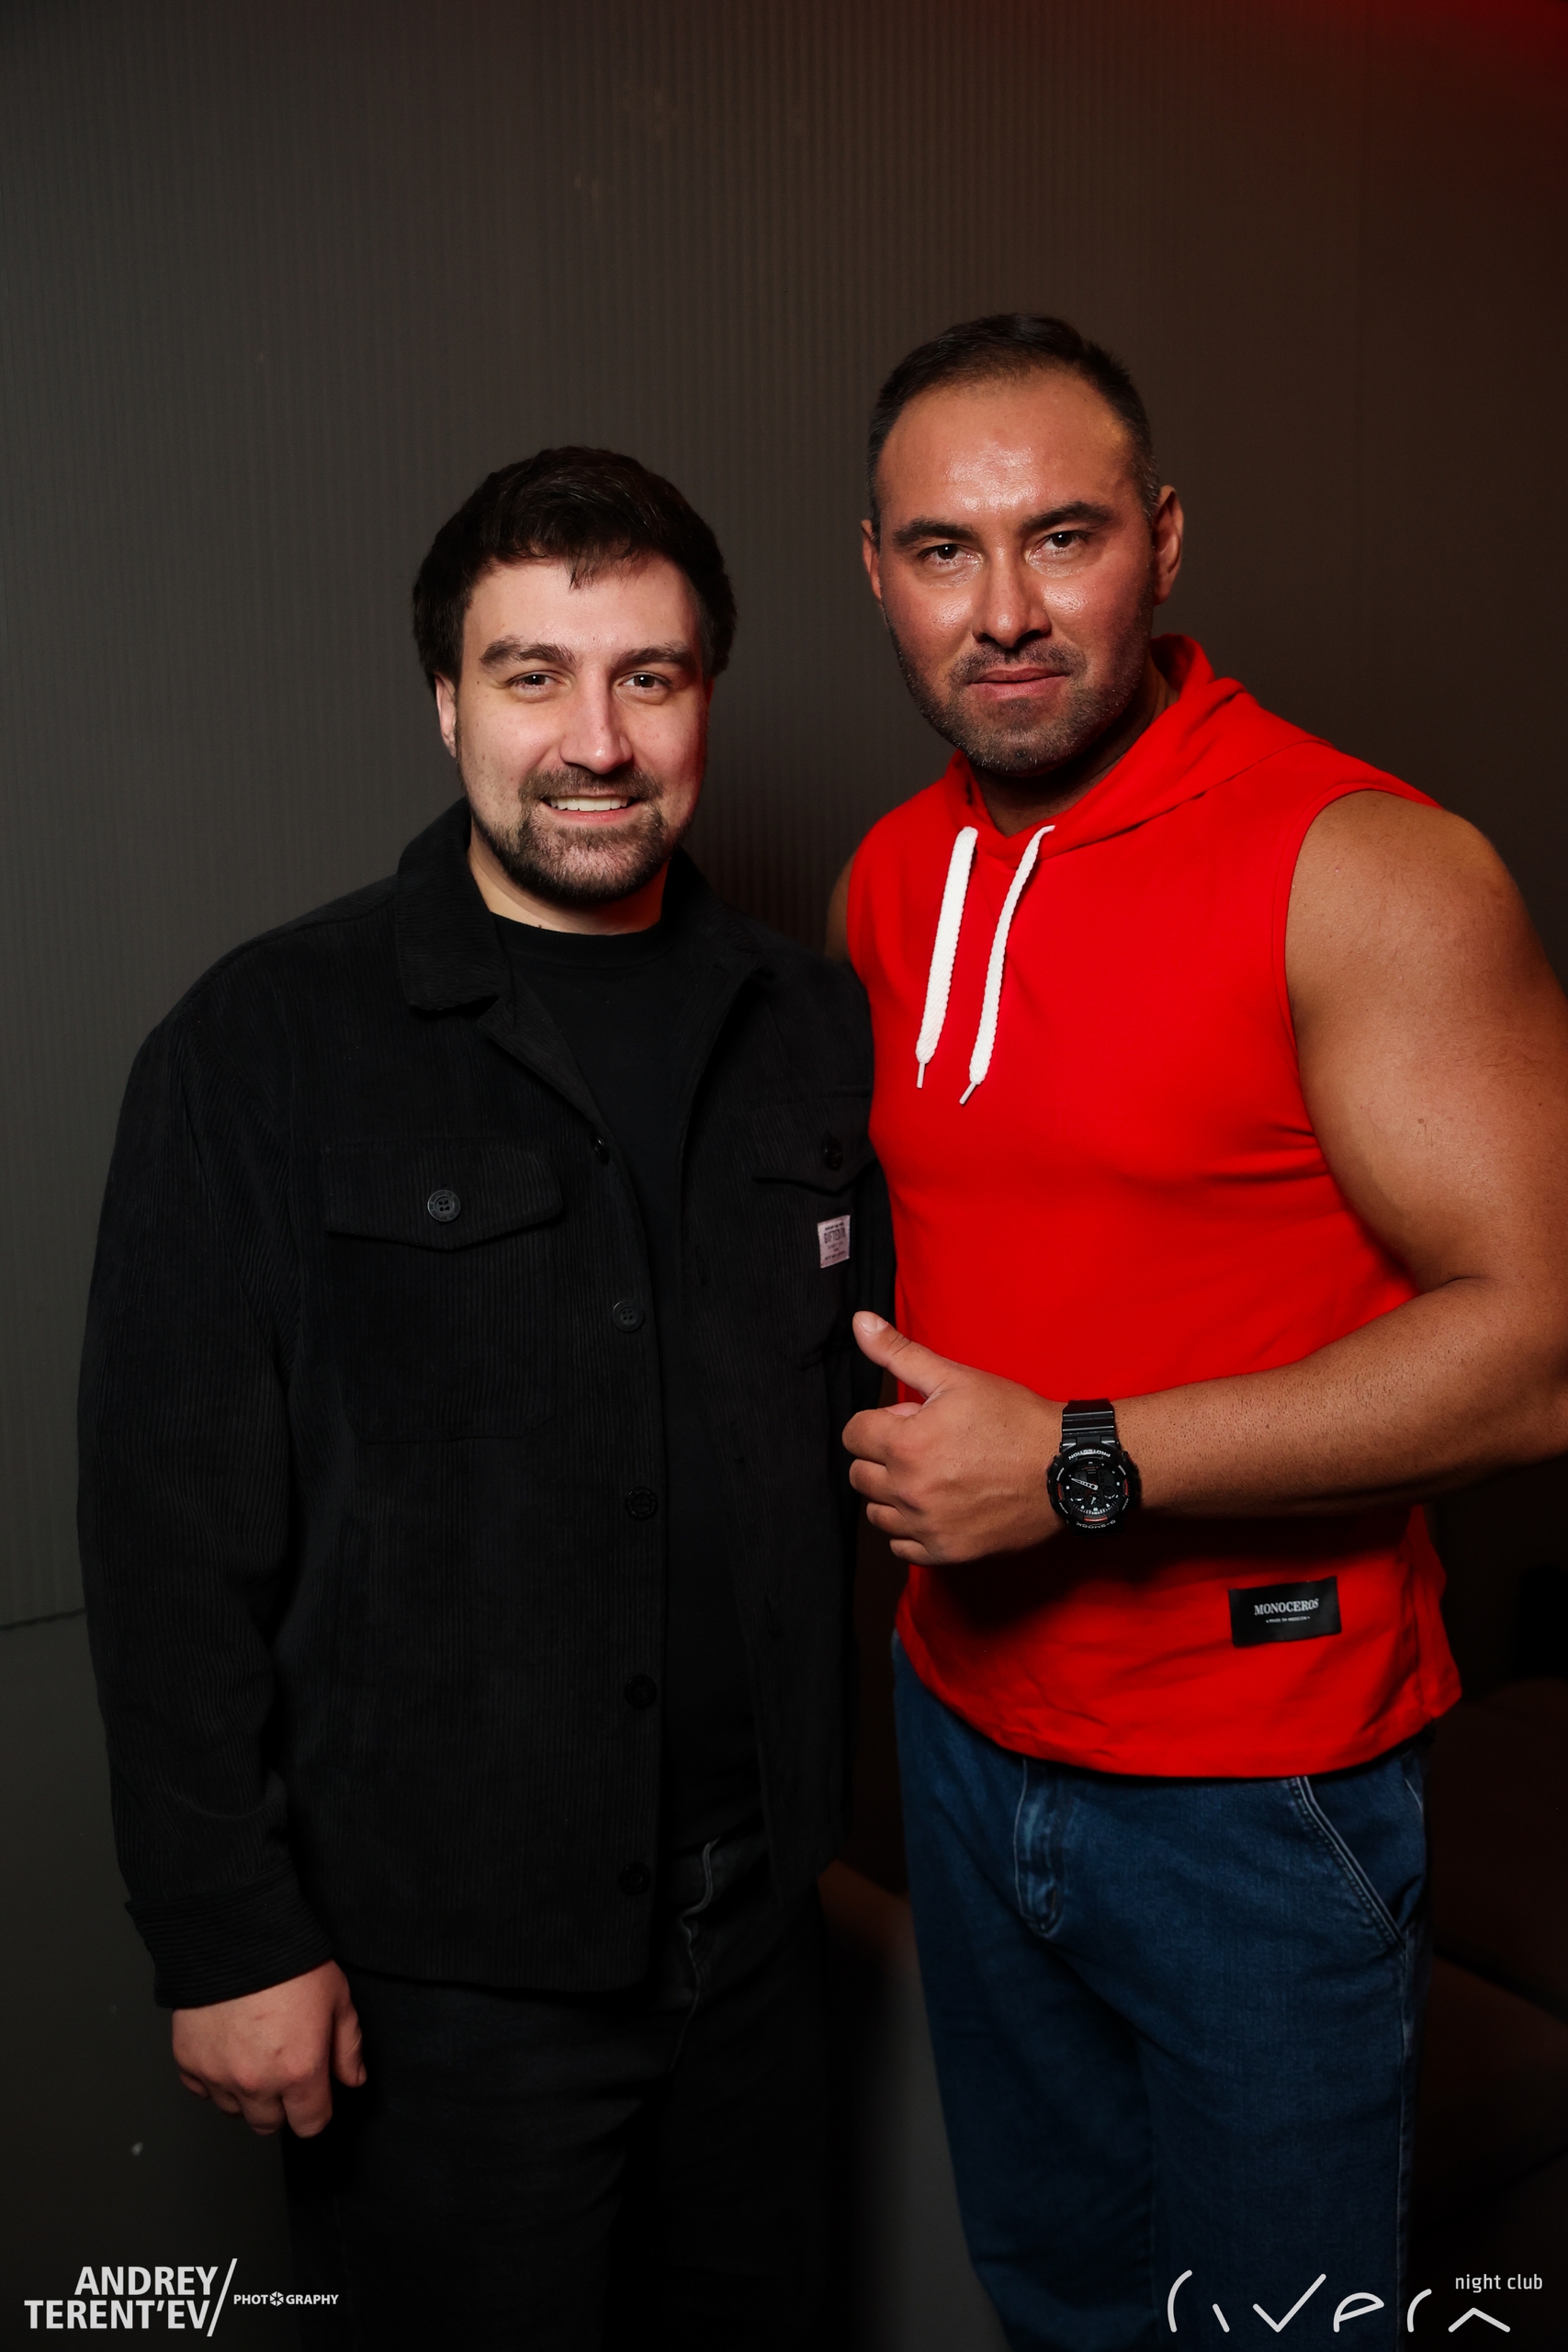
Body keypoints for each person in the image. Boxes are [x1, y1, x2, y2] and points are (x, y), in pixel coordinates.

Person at [80, 447, 890, 2347]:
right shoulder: (259, 1045)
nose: (595, 741)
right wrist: (228, 1935)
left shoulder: (812, 1025)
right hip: (435, 1996)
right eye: (533, 675)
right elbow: (166, 1529)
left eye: (648, 677)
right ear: (445, 702)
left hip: (763, 1950)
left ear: (705, 698)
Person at [830, 314, 1568, 2350]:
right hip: (960, 1727)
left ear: (1160, 540)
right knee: (1059, 2300)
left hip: (1255, 1789)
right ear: (875, 572)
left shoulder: (1367, 867)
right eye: (943, 548)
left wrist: (1079, 1459)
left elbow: (1541, 1348)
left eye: (1060, 536)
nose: (1003, 609)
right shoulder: (891, 875)